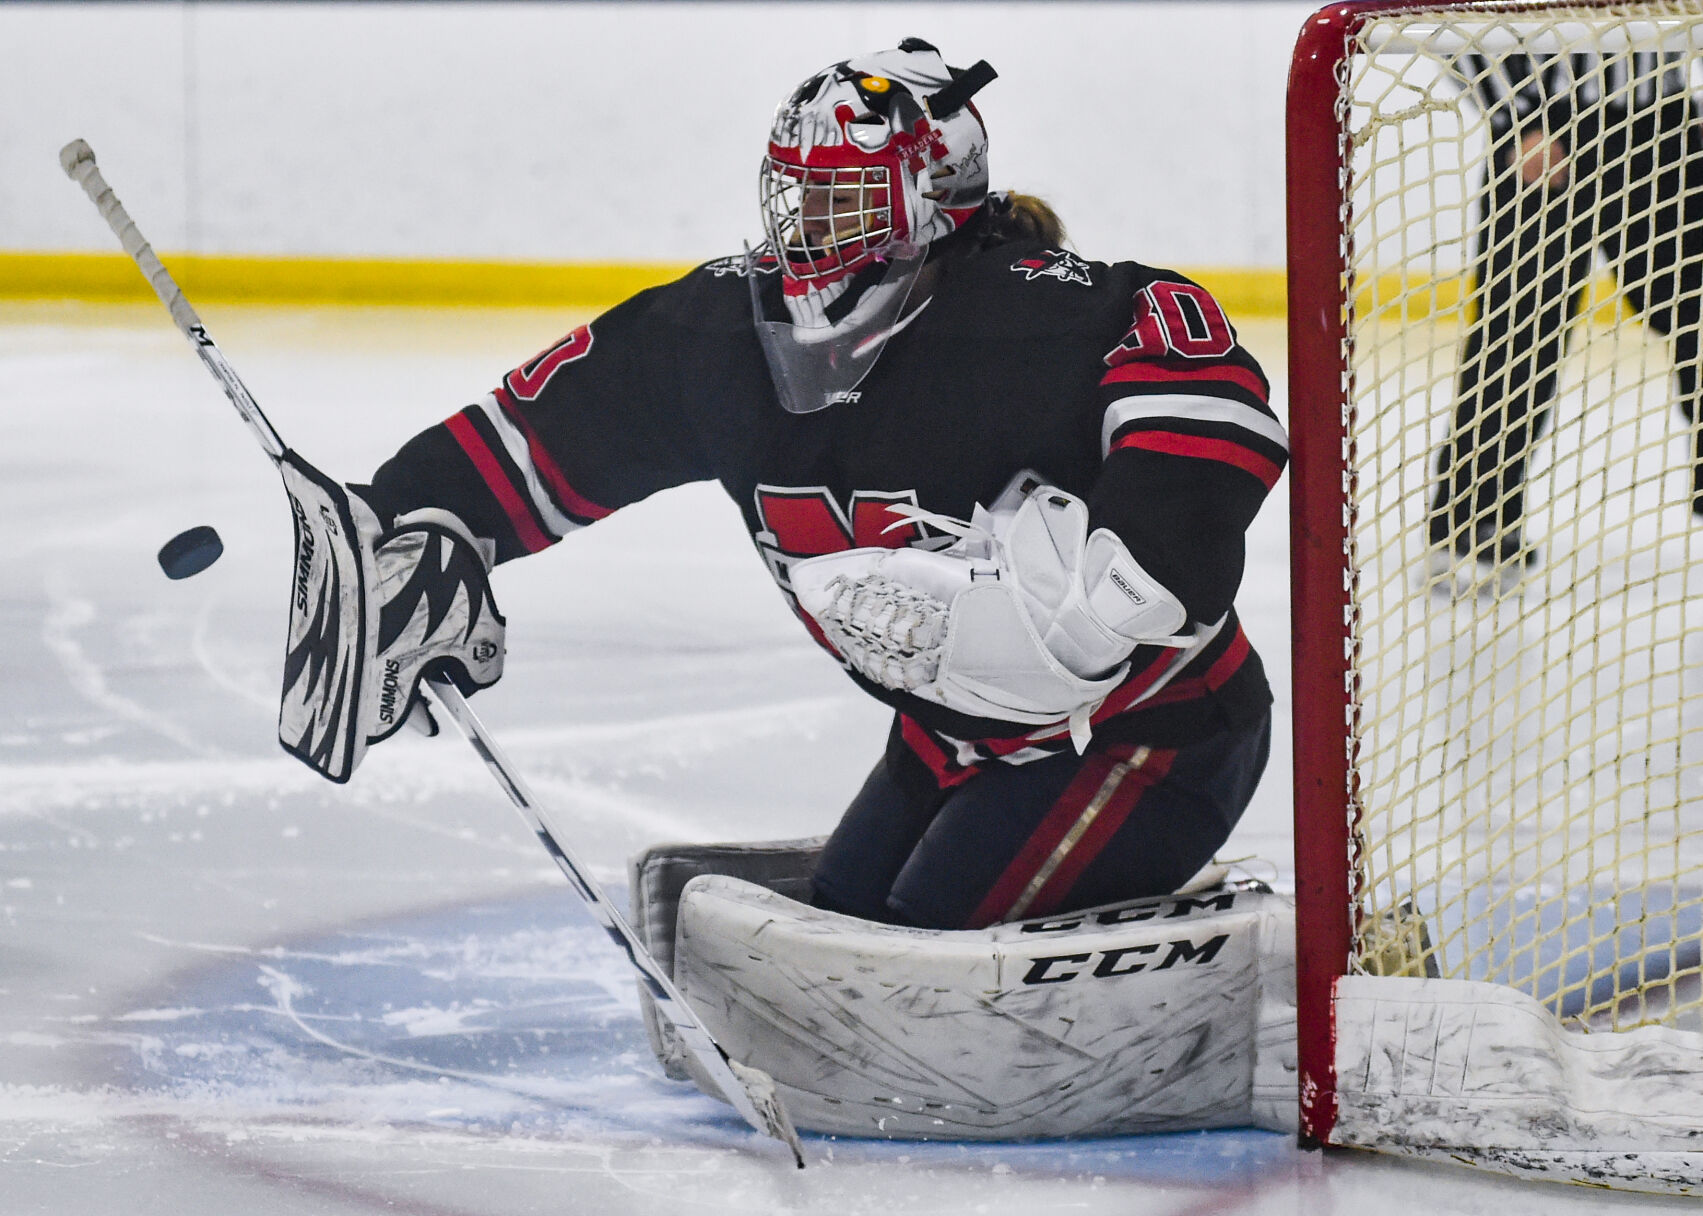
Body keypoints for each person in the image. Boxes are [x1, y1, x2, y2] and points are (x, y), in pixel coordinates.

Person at [280, 39, 1287, 931]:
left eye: (844, 195)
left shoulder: (1027, 318)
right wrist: (409, 522)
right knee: (847, 927)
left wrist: (1121, 585)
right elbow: (545, 435)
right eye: (799, 190)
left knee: (912, 962)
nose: (807, 223)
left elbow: (1207, 406)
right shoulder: (720, 336)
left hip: (1143, 735)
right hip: (943, 734)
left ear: (933, 203)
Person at [1428, 47, 1703, 587]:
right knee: (1519, 334)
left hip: (1666, 125)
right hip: (1547, 129)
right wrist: (1515, 118)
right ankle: (1474, 518)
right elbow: (1455, 27)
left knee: (1699, 315)